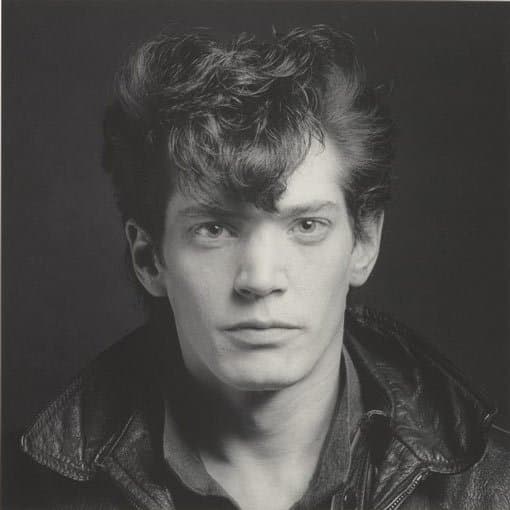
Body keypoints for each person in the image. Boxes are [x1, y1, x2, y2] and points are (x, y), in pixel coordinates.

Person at [7, 25, 510, 510]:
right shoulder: (22, 492)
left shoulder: (496, 490)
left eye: (307, 225)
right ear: (149, 258)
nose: (261, 279)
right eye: (214, 229)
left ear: (364, 242)